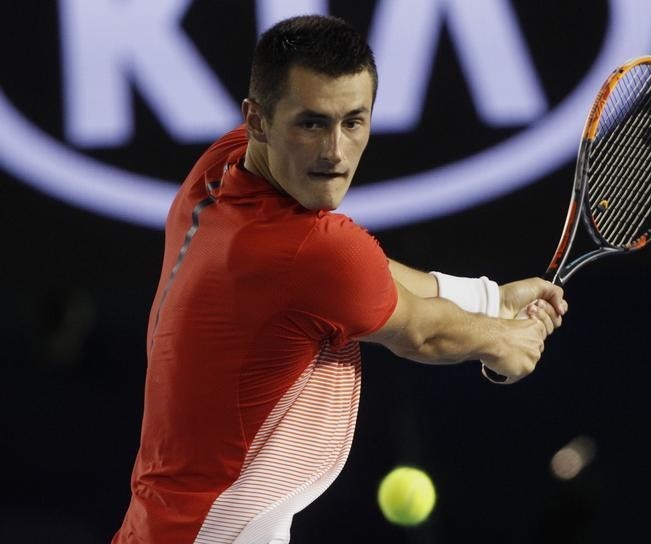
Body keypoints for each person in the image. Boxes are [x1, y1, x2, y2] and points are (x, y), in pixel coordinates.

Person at [112, 14, 567, 544]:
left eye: (354, 121)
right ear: (256, 121)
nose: (334, 152)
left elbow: (361, 276)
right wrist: (504, 341)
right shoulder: (310, 251)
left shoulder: (220, 170)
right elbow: (423, 332)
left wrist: (487, 298)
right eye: (311, 123)